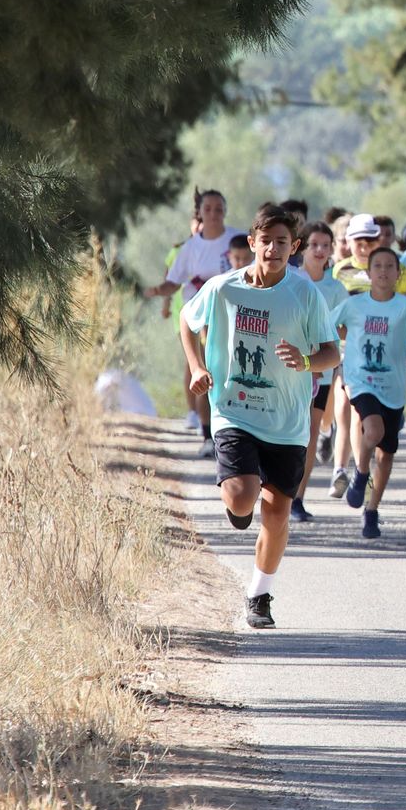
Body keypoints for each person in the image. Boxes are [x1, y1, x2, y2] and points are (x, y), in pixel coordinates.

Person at [179, 205, 339, 629]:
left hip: (287, 421)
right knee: (241, 496)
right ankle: (239, 503)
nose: (272, 248)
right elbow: (186, 319)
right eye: (265, 240)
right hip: (234, 409)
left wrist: (305, 362)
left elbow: (331, 352)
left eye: (282, 242)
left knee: (277, 514)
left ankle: (259, 594)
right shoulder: (223, 288)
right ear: (252, 243)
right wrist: (197, 367)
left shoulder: (305, 294)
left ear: (295, 247)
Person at [328, 248, 406, 539]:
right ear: (369, 273)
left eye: (389, 266)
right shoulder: (355, 305)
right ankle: (361, 473)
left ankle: (372, 511)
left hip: (393, 386)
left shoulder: (405, 307)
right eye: (378, 266)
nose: (384, 271)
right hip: (360, 380)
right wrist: (341, 341)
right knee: (371, 430)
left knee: (386, 456)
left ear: (397, 273)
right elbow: (330, 325)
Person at [147, 189, 242, 457]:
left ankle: (232, 431)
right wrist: (157, 291)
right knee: (205, 369)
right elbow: (173, 281)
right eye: (208, 208)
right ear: (199, 213)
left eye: (218, 208)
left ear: (225, 210)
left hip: (232, 314)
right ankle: (206, 433)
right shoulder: (190, 248)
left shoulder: (236, 239)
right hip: (201, 317)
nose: (213, 213)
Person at [291, 221, 349, 524]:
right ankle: (275, 490)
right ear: (301, 246)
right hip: (288, 371)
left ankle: (298, 498)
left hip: (321, 372)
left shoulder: (336, 288)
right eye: (314, 244)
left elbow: (344, 328)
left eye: (326, 245)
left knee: (311, 435)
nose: (320, 250)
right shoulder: (290, 279)